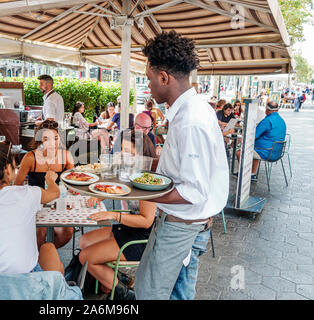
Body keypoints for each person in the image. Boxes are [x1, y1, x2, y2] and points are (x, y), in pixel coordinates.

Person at [134, 31, 229, 300]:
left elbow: (192, 191)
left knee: (150, 294)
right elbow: (185, 170)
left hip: (182, 225)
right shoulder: (195, 109)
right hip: (186, 224)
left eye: (149, 78)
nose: (148, 85)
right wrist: (149, 164)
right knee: (171, 292)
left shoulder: (191, 120)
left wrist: (137, 191)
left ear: (164, 77)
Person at [0, 141, 64, 275]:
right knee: (48, 248)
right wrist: (50, 180)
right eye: (15, 166)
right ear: (7, 169)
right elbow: (55, 193)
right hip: (23, 279)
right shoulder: (27, 194)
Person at [79, 130, 157, 300]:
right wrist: (99, 195)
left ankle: (126, 295)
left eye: (130, 153)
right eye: (122, 151)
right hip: (129, 227)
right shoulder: (131, 172)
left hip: (143, 238)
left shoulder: (147, 179)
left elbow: (146, 221)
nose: (124, 157)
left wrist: (114, 215)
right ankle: (116, 281)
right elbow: (117, 186)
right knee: (83, 241)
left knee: (85, 257)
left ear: (142, 155)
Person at [14, 120, 74, 249]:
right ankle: (39, 257)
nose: (53, 143)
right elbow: (16, 186)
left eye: (56, 138)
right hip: (36, 202)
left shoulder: (66, 156)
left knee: (67, 233)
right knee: (39, 232)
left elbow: (72, 182)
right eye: (47, 139)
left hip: (59, 202)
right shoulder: (31, 158)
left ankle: (45, 252)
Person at [236, 101, 286, 179]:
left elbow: (253, 136)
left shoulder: (267, 121)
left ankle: (243, 174)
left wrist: (241, 139)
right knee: (255, 149)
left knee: (239, 152)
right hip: (277, 152)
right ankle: (253, 174)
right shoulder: (282, 120)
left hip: (266, 151)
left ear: (267, 110)